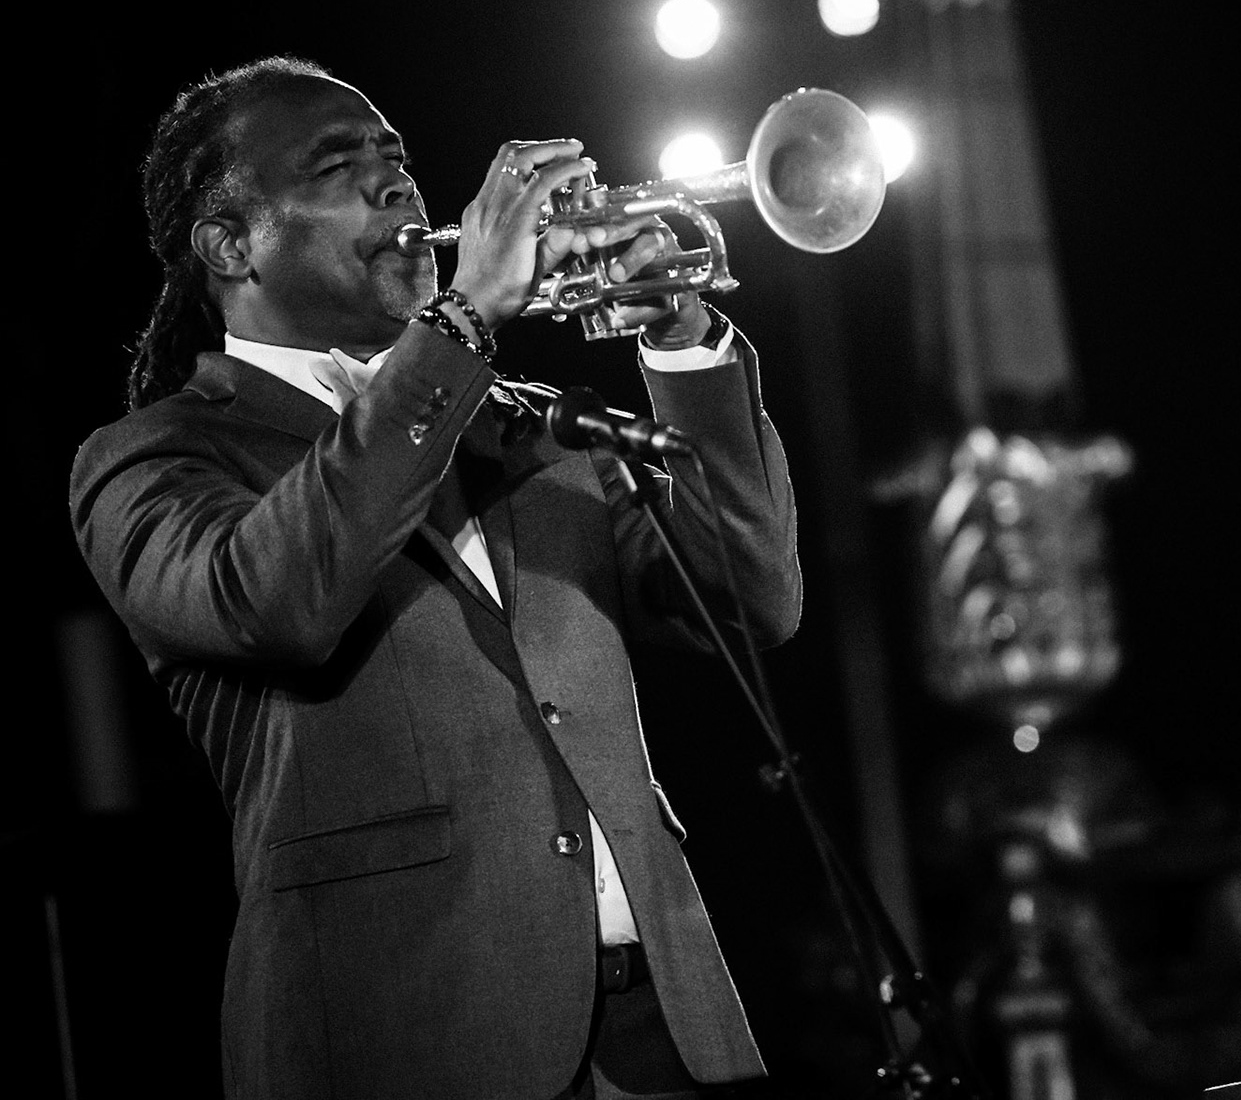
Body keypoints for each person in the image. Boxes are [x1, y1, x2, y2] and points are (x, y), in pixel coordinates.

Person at [69, 56, 802, 1099]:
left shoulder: (526, 425)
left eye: (397, 160)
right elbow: (280, 602)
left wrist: (680, 337)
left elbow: (751, 597)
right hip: (409, 1040)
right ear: (230, 245)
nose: (394, 185)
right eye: (339, 167)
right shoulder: (156, 456)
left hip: (663, 1038)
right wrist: (460, 326)